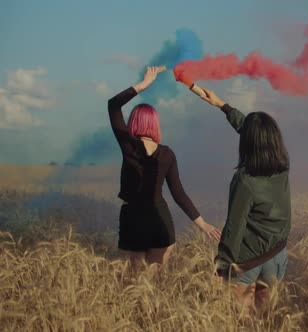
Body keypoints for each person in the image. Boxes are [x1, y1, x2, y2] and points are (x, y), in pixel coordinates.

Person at [108, 67, 221, 272]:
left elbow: (113, 105)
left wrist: (143, 84)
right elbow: (178, 194)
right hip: (159, 218)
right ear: (155, 125)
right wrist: (203, 224)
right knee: (152, 281)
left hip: (132, 217)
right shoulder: (167, 154)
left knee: (134, 280)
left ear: (133, 122)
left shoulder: (129, 146)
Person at [193, 84, 291, 312]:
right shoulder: (283, 165)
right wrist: (222, 106)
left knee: (242, 322)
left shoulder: (244, 180)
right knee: (265, 320)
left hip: (246, 263)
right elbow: (254, 134)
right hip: (277, 256)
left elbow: (234, 227)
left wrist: (222, 267)